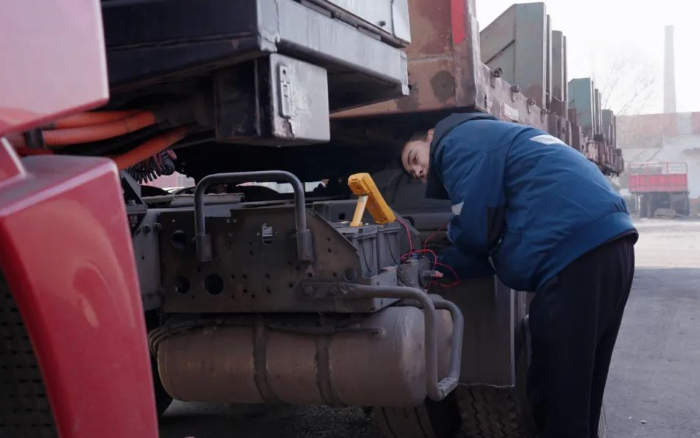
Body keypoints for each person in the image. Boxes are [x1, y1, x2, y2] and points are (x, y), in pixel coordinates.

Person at [401, 113, 637, 438]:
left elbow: (476, 230)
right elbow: (492, 242)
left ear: (431, 136)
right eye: (411, 173)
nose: (416, 171)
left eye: (414, 158)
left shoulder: (455, 141)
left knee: (555, 394)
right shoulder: (495, 137)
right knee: (580, 392)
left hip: (575, 256)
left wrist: (437, 257)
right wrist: (453, 262)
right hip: (609, 246)